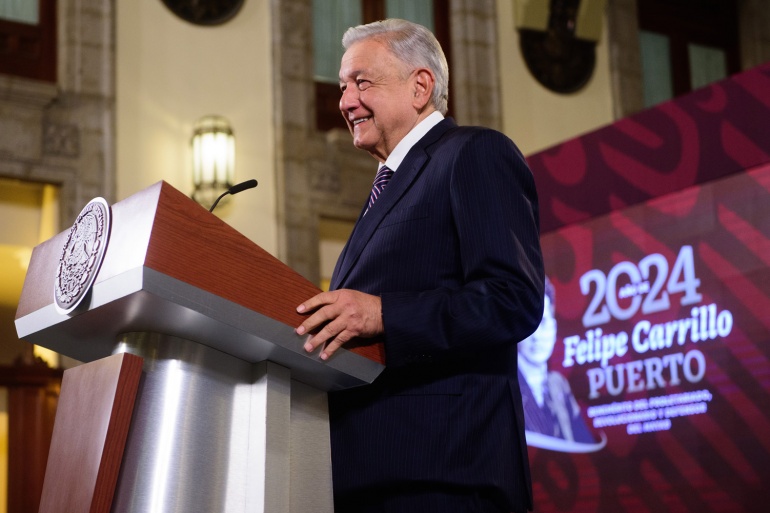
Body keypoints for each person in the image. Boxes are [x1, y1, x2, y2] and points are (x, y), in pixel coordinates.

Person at [295, 18, 544, 513]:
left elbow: (512, 300)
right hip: (366, 476)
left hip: (445, 474)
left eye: (362, 82)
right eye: (343, 86)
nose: (345, 101)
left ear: (420, 86)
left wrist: (384, 314)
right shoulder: (386, 186)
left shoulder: (474, 154)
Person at [517, 277, 596, 447]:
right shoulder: (507, 386)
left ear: (554, 327)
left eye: (543, 323)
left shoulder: (558, 384)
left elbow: (585, 445)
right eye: (530, 323)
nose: (537, 335)